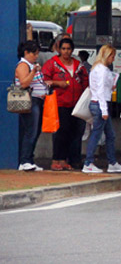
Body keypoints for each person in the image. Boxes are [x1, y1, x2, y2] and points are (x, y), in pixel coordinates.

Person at [41, 37, 89, 171]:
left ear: (72, 50)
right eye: (63, 49)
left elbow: (85, 81)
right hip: (60, 103)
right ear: (59, 49)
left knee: (76, 132)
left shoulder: (78, 65)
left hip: (77, 104)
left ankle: (73, 160)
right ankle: (57, 159)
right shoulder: (52, 64)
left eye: (68, 49)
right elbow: (44, 79)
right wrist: (58, 83)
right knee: (61, 132)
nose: (66, 52)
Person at [83, 44, 121, 174]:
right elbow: (101, 91)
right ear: (107, 56)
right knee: (98, 134)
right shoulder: (102, 70)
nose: (113, 59)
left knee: (108, 135)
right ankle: (89, 162)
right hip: (100, 104)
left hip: (97, 103)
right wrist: (104, 110)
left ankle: (111, 162)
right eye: (112, 56)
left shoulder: (95, 68)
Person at [14, 41, 48, 171]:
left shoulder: (30, 64)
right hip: (30, 100)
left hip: (37, 100)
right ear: (26, 53)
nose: (36, 56)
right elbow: (24, 83)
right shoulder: (23, 65)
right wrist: (33, 71)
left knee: (35, 130)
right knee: (31, 131)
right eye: (34, 54)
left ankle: (29, 159)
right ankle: (25, 160)